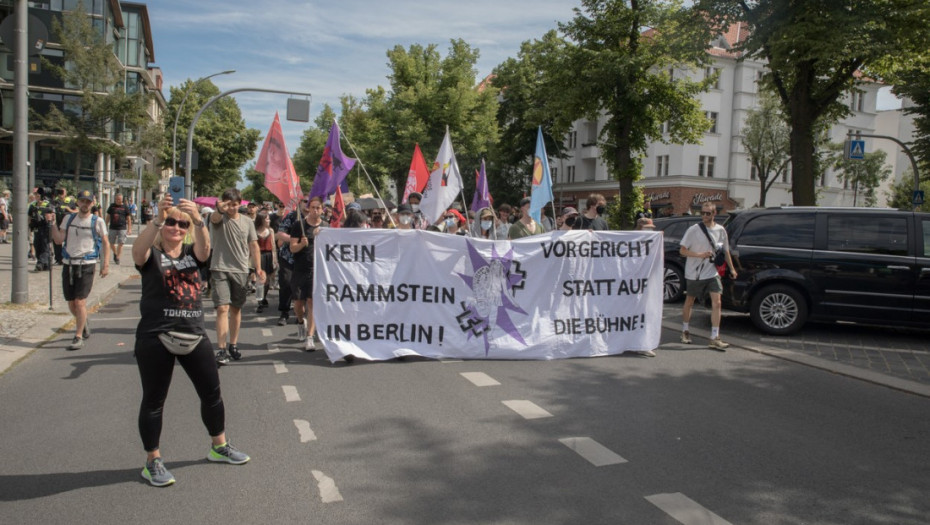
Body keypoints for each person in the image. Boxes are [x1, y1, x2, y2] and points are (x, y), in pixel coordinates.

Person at [131, 195, 249, 487]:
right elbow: (137, 251)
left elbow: (205, 249)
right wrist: (157, 218)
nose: (176, 227)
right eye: (171, 223)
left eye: (181, 224)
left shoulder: (192, 254)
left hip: (193, 334)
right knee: (154, 401)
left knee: (212, 394)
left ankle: (219, 446)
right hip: (156, 336)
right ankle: (153, 461)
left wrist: (198, 220)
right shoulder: (152, 256)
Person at [49, 189, 110, 350]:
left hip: (87, 263)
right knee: (71, 303)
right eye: (82, 201)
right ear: (78, 202)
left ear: (92, 203)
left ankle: (78, 336)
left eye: (88, 202)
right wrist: (52, 223)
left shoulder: (97, 221)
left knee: (80, 301)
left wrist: (106, 265)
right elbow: (58, 239)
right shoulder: (69, 219)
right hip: (69, 263)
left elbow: (105, 243)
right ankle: (82, 323)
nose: (85, 204)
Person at [210, 188, 264, 365]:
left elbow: (254, 245)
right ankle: (221, 348)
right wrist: (220, 208)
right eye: (228, 204)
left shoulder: (247, 222)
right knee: (222, 308)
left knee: (235, 309)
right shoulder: (218, 218)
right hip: (220, 267)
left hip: (241, 269)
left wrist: (258, 268)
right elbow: (215, 218)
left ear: (240, 204)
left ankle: (233, 344)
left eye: (235, 205)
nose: (231, 208)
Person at [679, 202, 737, 351]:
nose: (704, 216)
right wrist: (699, 255)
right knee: (690, 301)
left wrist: (732, 268)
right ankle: (685, 330)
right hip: (695, 272)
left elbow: (726, 251)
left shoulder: (721, 230)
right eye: (702, 213)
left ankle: (714, 337)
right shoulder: (693, 230)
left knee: (717, 302)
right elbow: (683, 251)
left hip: (712, 272)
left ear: (714, 214)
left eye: (708, 213)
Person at [289, 196, 325, 351]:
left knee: (312, 302)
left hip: (316, 270)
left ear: (322, 210)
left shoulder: (326, 226)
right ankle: (299, 320)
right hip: (299, 269)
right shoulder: (299, 225)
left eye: (318, 208)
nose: (315, 210)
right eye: (313, 207)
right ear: (308, 209)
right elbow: (292, 248)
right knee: (298, 303)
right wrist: (301, 244)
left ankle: (310, 337)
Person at [254, 211, 276, 313]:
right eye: (267, 219)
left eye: (269, 219)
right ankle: (260, 302)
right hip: (259, 256)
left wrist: (275, 260)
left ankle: (264, 297)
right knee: (260, 279)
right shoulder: (255, 231)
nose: (269, 220)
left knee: (267, 280)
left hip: (269, 256)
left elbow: (274, 247)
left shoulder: (270, 231)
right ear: (261, 220)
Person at [52, 187, 78, 265]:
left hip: (68, 225)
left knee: (69, 241)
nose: (61, 194)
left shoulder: (70, 201)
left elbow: (77, 211)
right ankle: (58, 258)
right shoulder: (55, 202)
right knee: (56, 242)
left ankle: (68, 257)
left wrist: (68, 209)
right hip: (58, 224)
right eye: (59, 193)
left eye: (62, 192)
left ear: (65, 193)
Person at [106, 193, 132, 264]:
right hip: (112, 227)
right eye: (117, 199)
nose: (118, 200)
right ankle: (115, 253)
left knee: (121, 243)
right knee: (111, 243)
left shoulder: (125, 207)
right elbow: (108, 217)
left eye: (119, 199)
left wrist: (129, 229)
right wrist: (105, 225)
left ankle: (117, 258)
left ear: (122, 199)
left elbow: (129, 219)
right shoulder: (112, 206)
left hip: (122, 228)